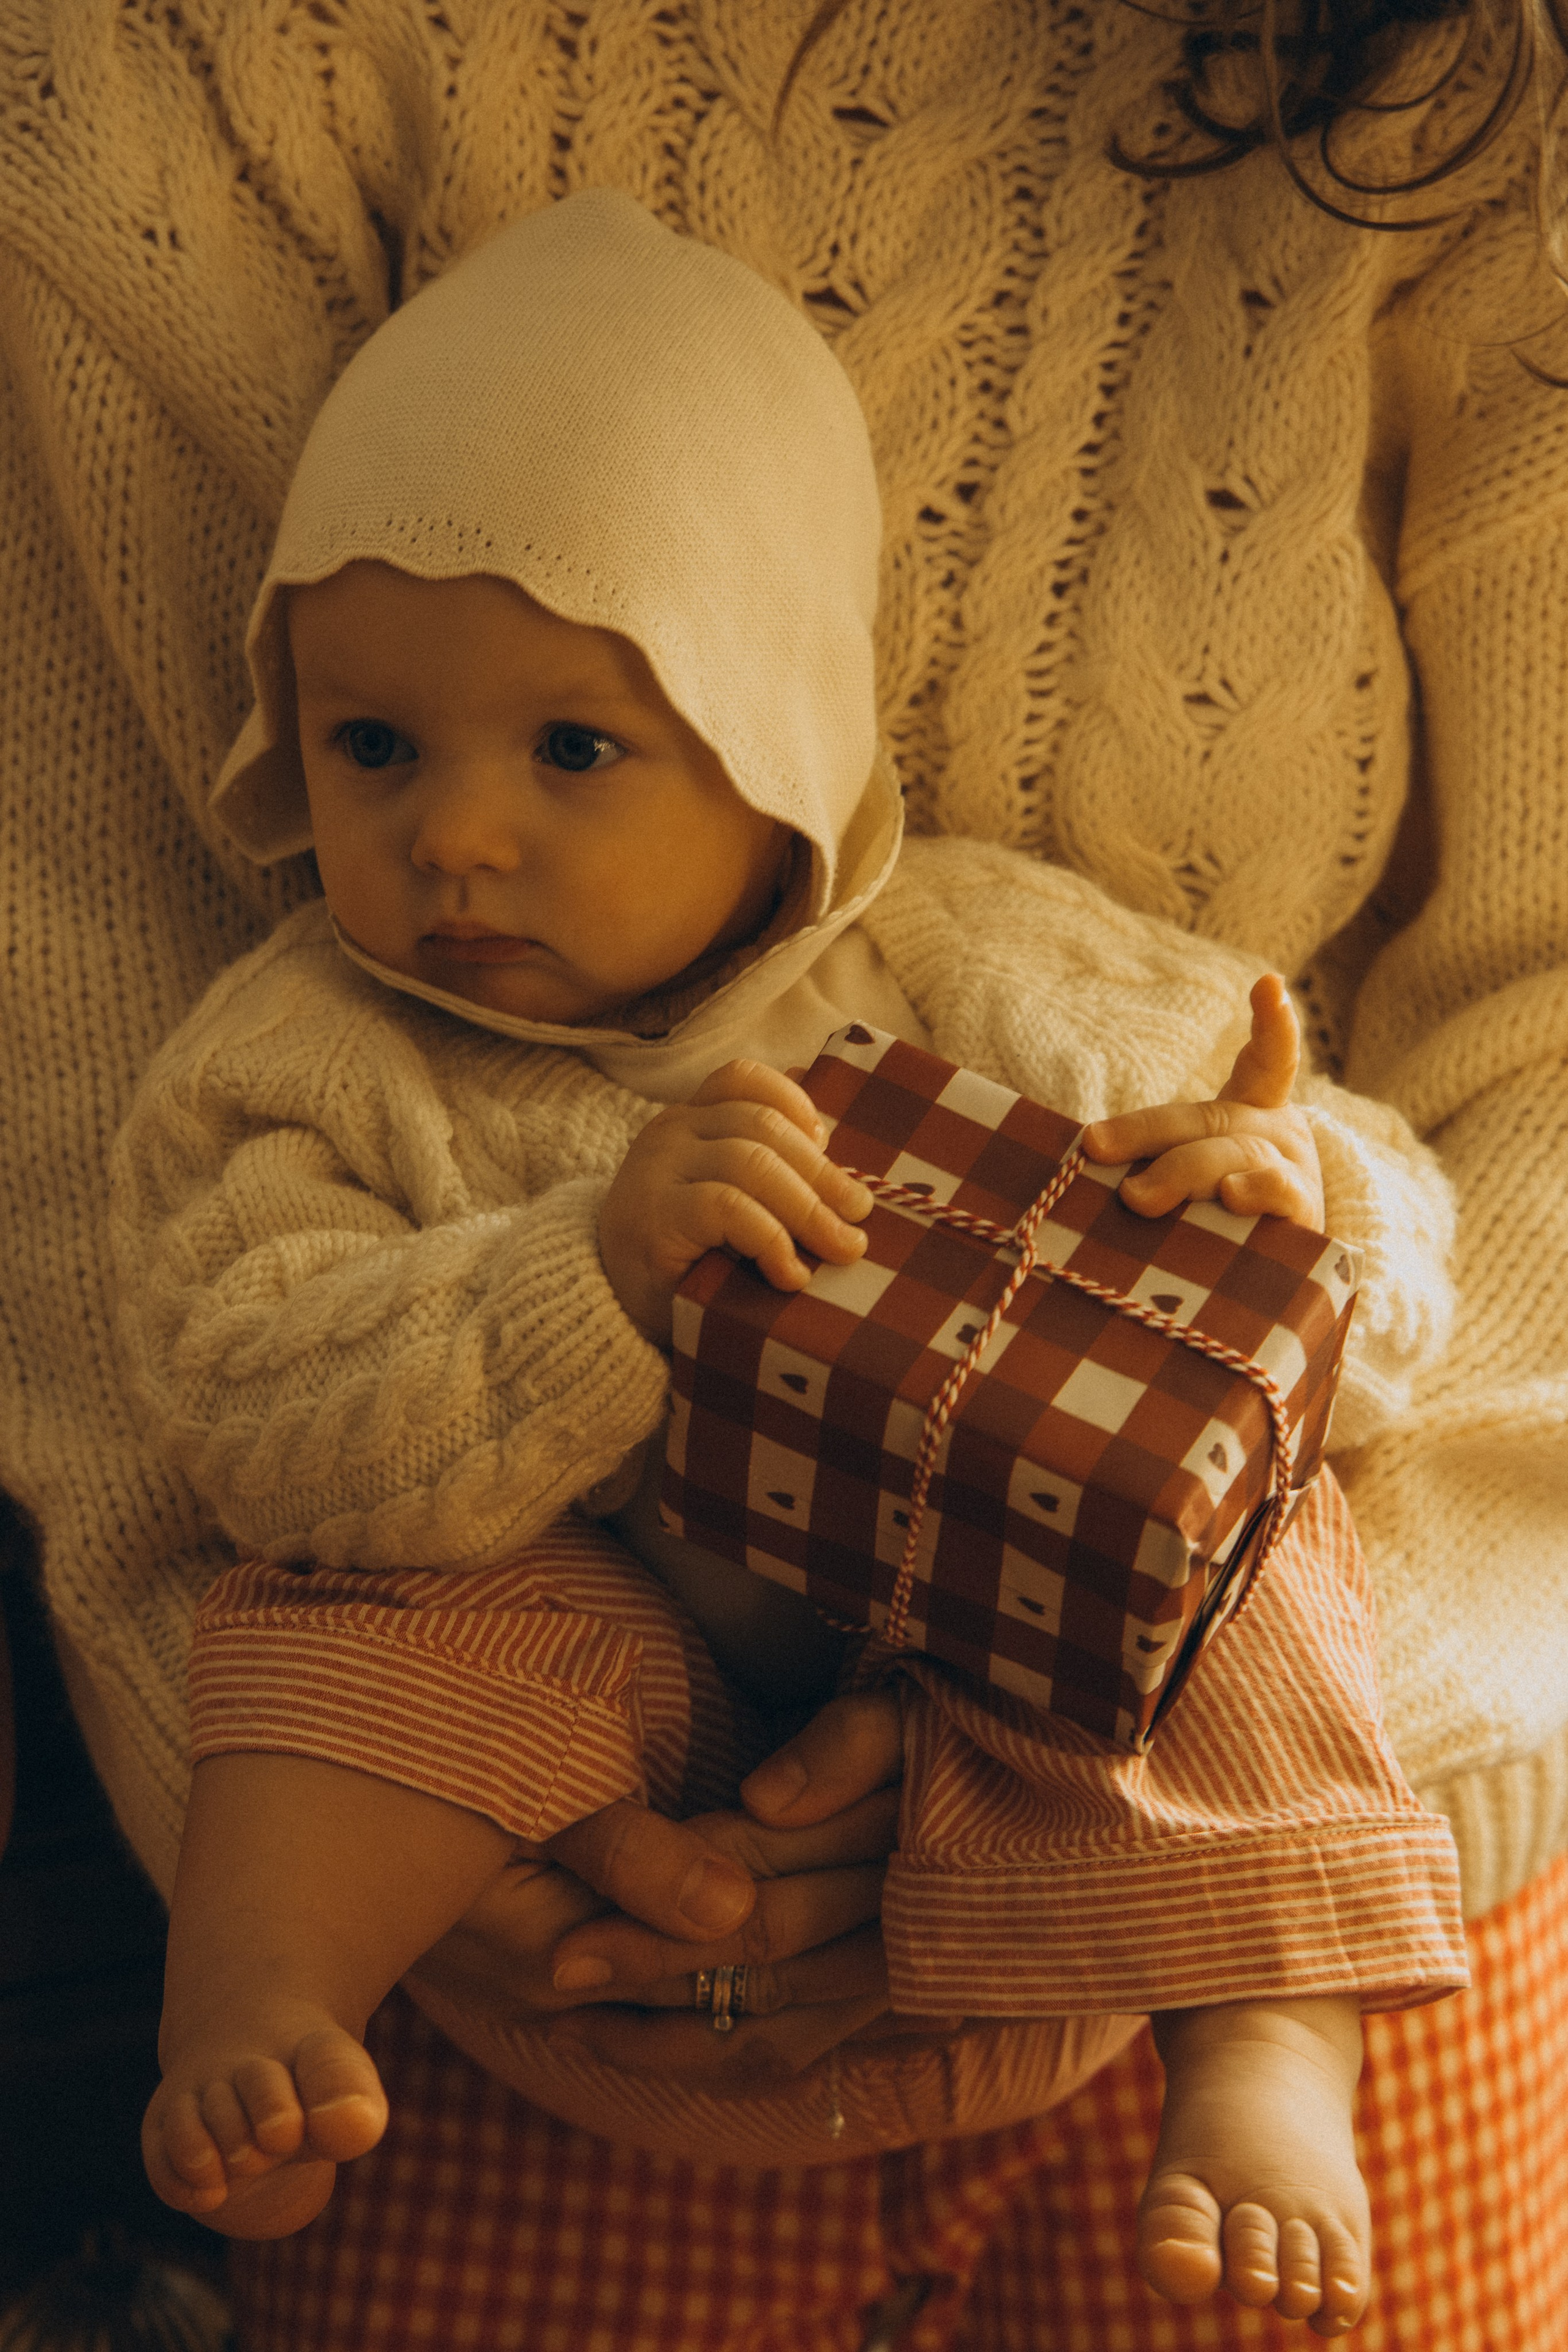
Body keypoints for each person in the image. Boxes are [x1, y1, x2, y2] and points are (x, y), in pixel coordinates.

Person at [2, 6, 1565, 2347]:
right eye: (367, 744)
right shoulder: (311, 1062)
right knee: (335, 1657)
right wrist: (578, 1287)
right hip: (571, 1819)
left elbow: (1330, 1182)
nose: (453, 837)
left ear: (787, 758)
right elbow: (211, 1345)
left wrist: (1287, 1204)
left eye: (569, 745)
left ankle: (1271, 2038)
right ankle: (258, 2003)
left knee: (1253, 1590)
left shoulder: (986, 967)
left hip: (1097, 1664)